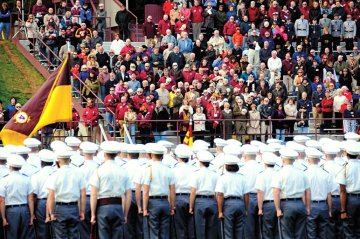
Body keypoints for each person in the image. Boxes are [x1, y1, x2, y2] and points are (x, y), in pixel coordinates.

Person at [90, 141, 132, 239]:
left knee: (103, 236)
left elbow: (94, 194)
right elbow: (128, 194)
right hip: (118, 206)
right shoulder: (123, 171)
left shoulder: (99, 170)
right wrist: (125, 214)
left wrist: (93, 214)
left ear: (104, 154)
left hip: (103, 206)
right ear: (116, 155)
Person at [272, 148, 311, 239]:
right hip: (300, 204)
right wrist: (308, 207)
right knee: (300, 234)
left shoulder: (279, 173)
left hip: (287, 205)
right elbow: (308, 191)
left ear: (283, 160)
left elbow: (276, 192)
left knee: (286, 234)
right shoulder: (301, 173)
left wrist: (278, 209)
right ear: (294, 160)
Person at [47, 149, 86, 239]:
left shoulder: (55, 174)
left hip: (60, 208)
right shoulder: (78, 173)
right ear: (69, 160)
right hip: (74, 207)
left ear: (58, 161)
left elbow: (51, 195)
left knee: (60, 235)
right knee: (74, 235)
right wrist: (82, 211)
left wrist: (51, 213)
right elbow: (83, 193)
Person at [142, 144, 175, 239]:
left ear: (152, 155)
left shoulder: (149, 169)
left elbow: (146, 191)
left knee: (154, 230)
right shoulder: (168, 170)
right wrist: (172, 206)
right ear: (163, 156)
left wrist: (144, 208)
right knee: (165, 232)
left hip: (153, 202)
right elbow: (172, 190)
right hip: (165, 201)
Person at [0, 154, 35, 239]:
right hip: (24, 209)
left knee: (12, 235)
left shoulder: (4, 180)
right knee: (25, 235)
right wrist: (32, 215)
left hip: (11, 210)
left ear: (10, 166)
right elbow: (30, 199)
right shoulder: (26, 179)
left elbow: (2, 200)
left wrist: (3, 218)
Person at [216, 155, 249, 239]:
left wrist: (220, 211)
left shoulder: (223, 178)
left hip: (228, 204)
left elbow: (220, 195)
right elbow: (246, 195)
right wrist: (246, 209)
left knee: (228, 231)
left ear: (226, 166)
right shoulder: (242, 177)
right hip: (240, 203)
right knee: (240, 231)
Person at [304, 147, 332, 239]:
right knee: (324, 232)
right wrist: (330, 210)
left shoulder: (305, 173)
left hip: (311, 205)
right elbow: (329, 194)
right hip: (323, 205)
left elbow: (304, 193)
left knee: (311, 232)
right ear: (319, 160)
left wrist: (305, 207)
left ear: (308, 160)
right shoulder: (326, 174)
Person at [189, 150, 218, 239]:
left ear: (200, 161)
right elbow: (217, 192)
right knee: (212, 229)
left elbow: (193, 191)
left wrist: (191, 206)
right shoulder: (214, 174)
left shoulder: (196, 173)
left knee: (200, 229)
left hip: (200, 201)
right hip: (212, 201)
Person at [335, 143, 360, 238]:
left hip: (351, 200)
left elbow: (342, 191)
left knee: (349, 227)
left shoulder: (345, 167)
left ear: (346, 154)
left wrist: (343, 210)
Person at [31, 149, 56, 239]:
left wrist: (32, 211)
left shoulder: (37, 175)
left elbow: (33, 195)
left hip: (42, 202)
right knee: (56, 229)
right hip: (56, 201)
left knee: (42, 229)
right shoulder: (57, 173)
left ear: (41, 162)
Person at [172, 145, 196, 239]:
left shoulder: (174, 169)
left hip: (178, 197)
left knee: (180, 226)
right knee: (191, 227)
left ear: (178, 157)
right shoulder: (193, 169)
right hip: (191, 197)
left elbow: (172, 188)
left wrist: (172, 204)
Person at [240, 145, 263, 238]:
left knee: (248, 226)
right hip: (261, 197)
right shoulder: (261, 167)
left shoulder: (242, 169)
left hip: (247, 197)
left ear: (245, 156)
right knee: (260, 225)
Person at [255, 152, 278, 239]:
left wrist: (260, 208)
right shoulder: (279, 173)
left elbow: (260, 192)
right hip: (279, 203)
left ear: (264, 163)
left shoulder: (262, 175)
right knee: (278, 230)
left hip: (267, 205)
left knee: (267, 230)